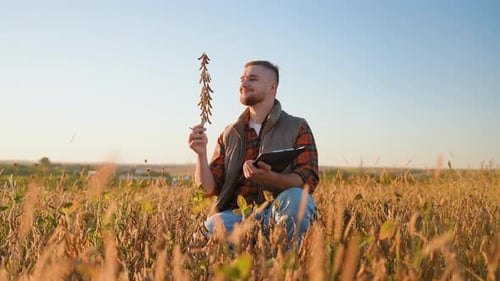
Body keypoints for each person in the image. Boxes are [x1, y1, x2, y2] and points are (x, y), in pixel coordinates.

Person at [188, 60, 319, 247]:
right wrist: (200, 154)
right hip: (236, 216)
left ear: (272, 87)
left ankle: (287, 264)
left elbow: (307, 180)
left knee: (299, 199)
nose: (244, 84)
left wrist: (269, 177)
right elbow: (209, 188)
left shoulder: (297, 126)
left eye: (252, 79)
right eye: (242, 79)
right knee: (206, 233)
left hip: (278, 211)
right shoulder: (229, 133)